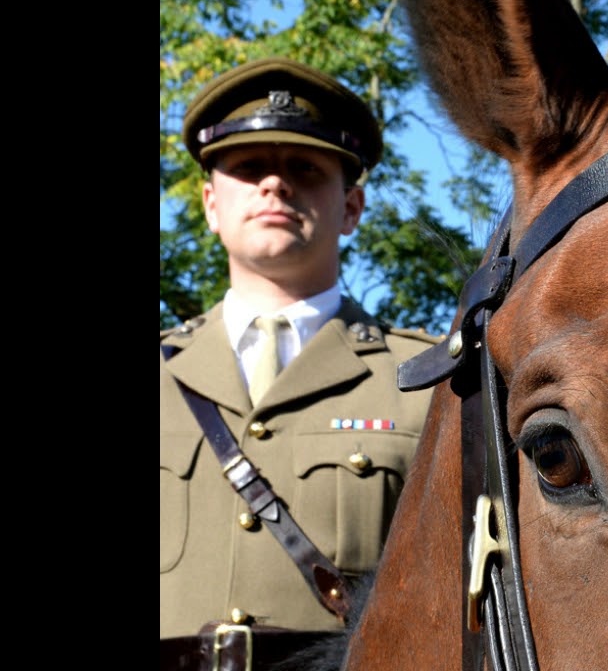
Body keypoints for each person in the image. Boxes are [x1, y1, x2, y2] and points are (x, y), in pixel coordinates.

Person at [160, 57, 439, 669]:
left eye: (306, 170)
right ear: (210, 204)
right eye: (249, 167)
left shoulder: (429, 381)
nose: (276, 185)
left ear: (352, 208)